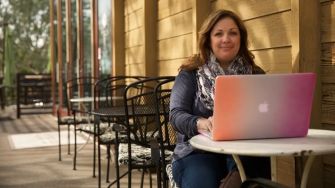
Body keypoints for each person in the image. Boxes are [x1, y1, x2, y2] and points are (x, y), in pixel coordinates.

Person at [169, 9, 270, 188]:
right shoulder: (190, 73)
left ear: (241, 38)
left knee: (254, 172)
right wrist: (201, 123)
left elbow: (267, 112)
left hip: (244, 150)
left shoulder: (255, 74)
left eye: (233, 33)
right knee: (203, 181)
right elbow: (176, 115)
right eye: (218, 34)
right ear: (208, 40)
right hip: (197, 152)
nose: (226, 39)